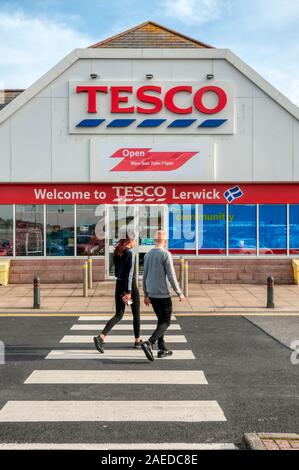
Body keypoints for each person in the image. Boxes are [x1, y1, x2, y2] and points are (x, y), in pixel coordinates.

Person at [93, 234, 141, 353]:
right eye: (135, 240)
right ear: (131, 241)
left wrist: (123, 291)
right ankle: (137, 340)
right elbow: (130, 274)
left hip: (119, 286)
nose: (135, 242)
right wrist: (129, 292)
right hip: (130, 287)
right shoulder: (130, 253)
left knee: (119, 314)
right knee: (136, 313)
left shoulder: (117, 252)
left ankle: (101, 337)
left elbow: (117, 272)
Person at [141, 229, 184, 362]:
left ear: (154, 241)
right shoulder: (166, 254)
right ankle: (149, 343)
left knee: (161, 321)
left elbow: (144, 275)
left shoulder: (148, 255)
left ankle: (162, 348)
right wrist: (179, 292)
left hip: (152, 294)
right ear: (165, 241)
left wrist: (146, 294)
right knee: (166, 321)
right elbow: (171, 275)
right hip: (163, 294)